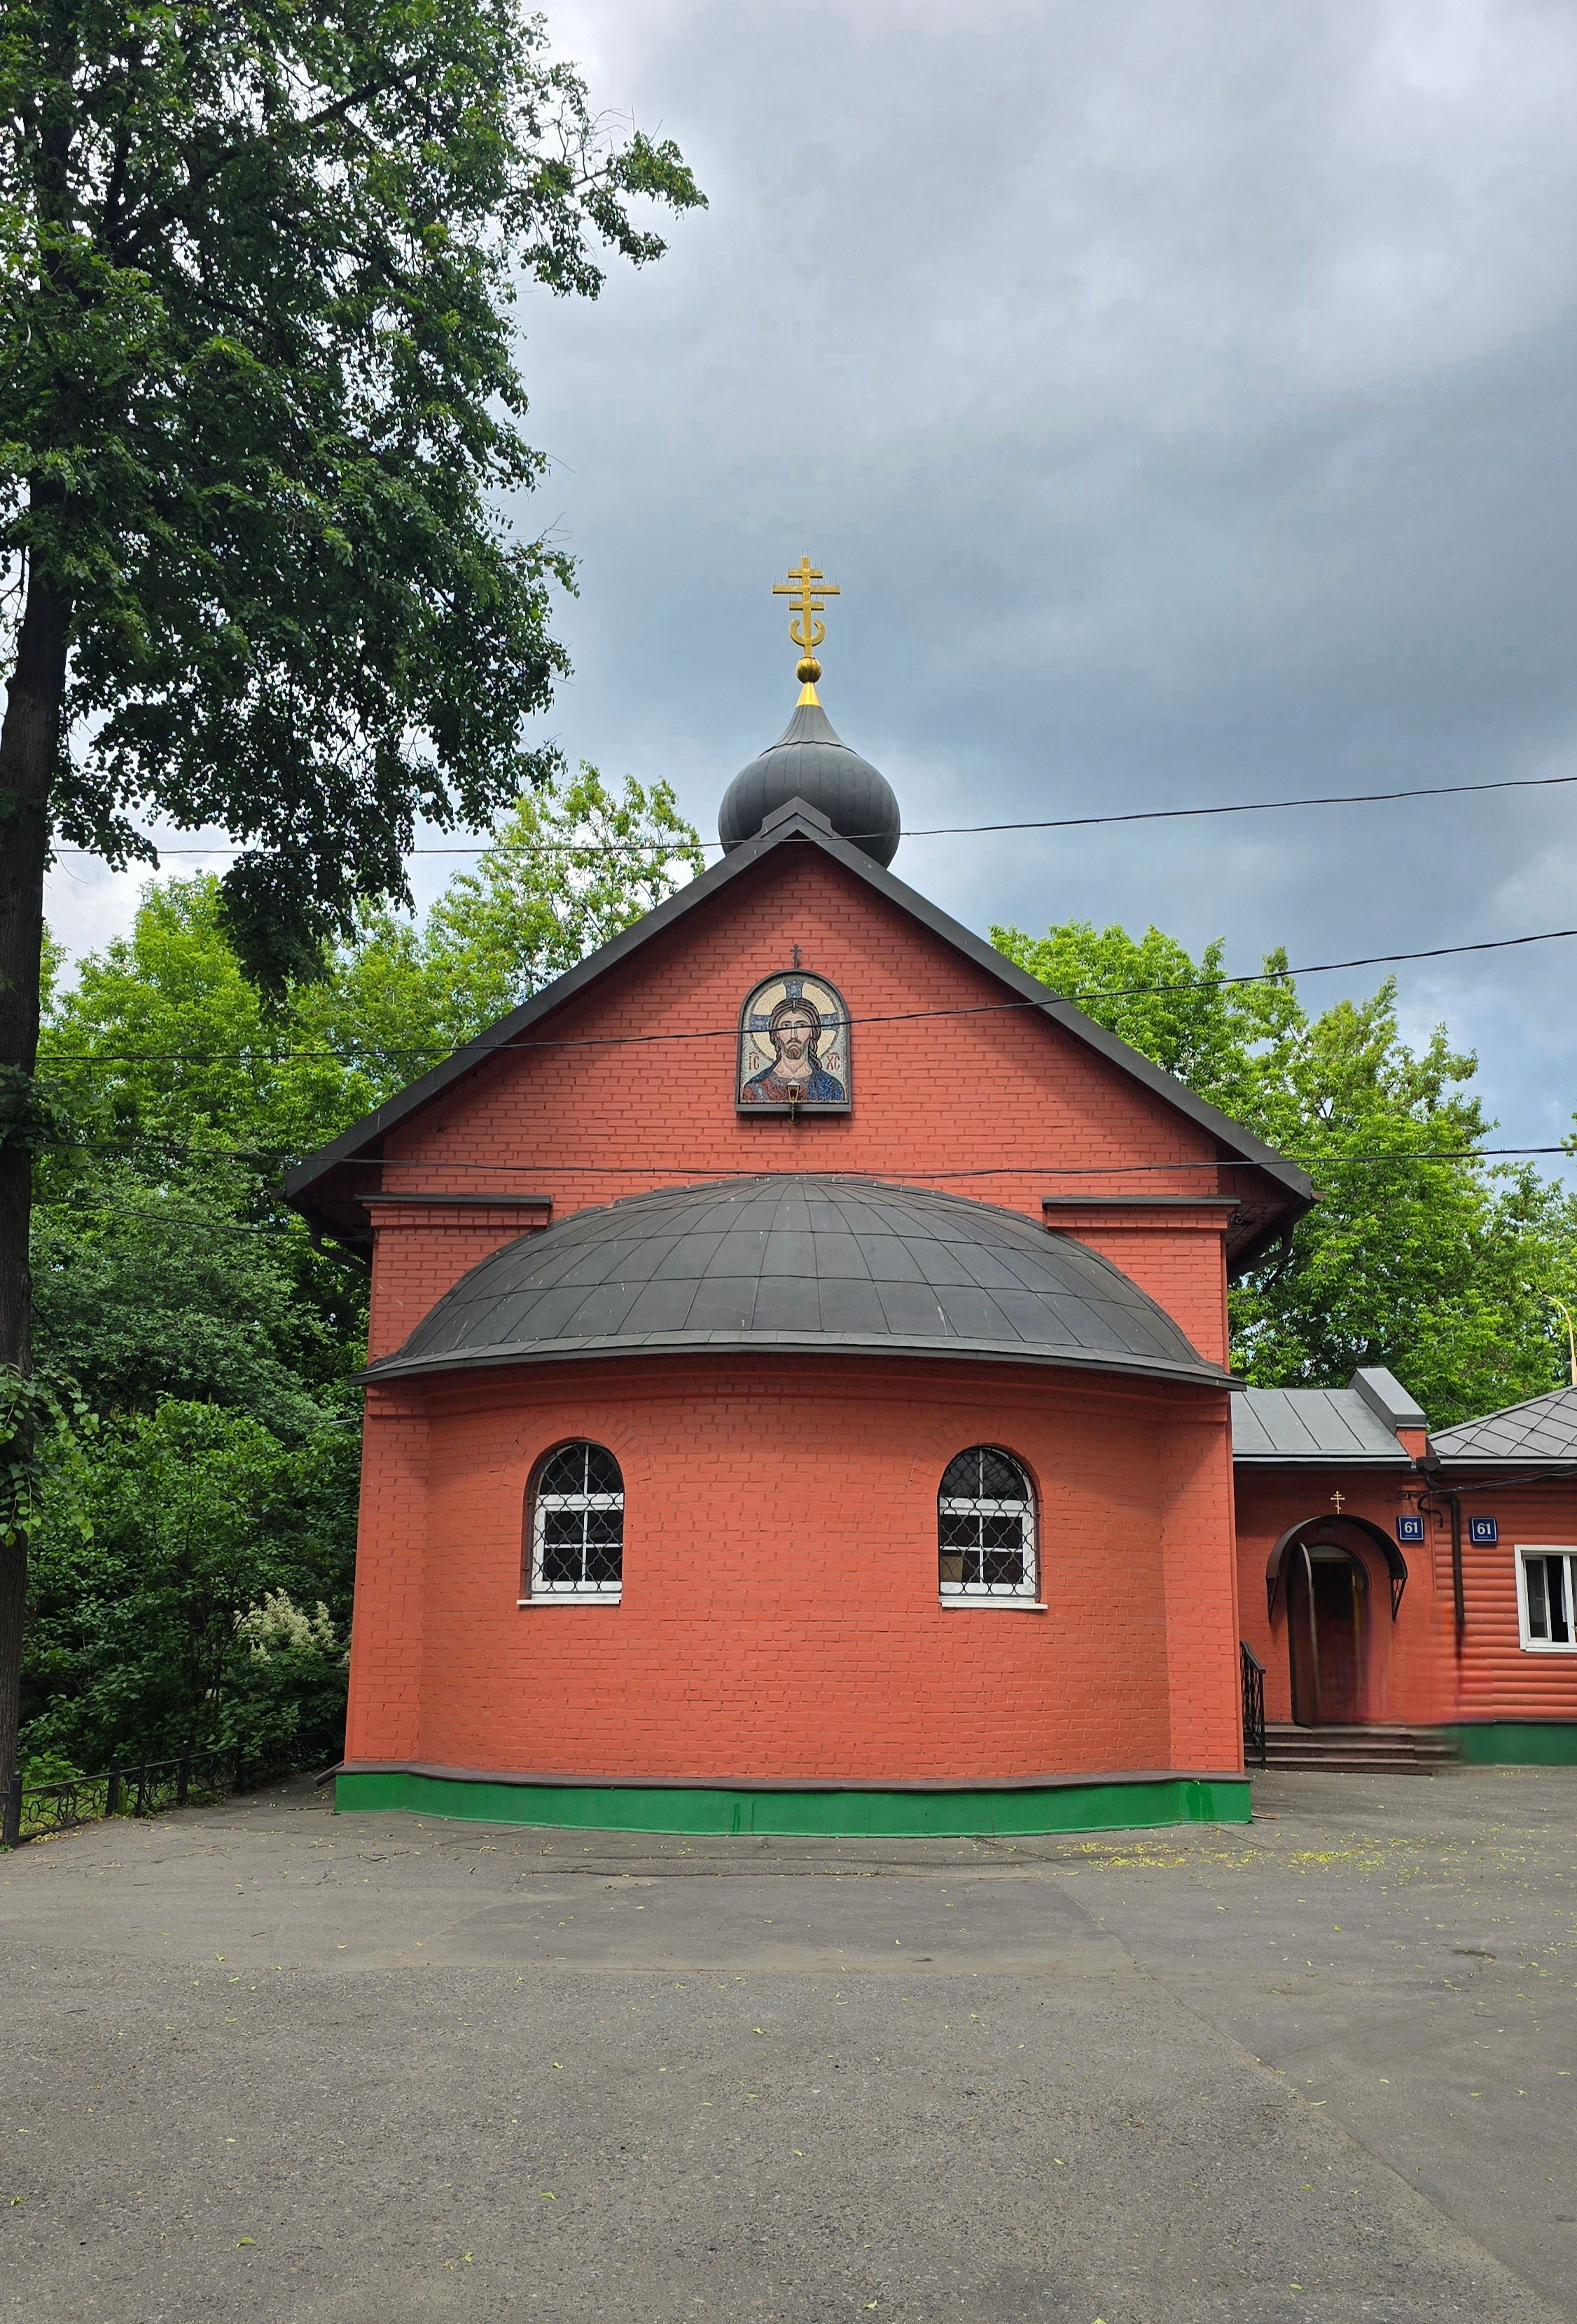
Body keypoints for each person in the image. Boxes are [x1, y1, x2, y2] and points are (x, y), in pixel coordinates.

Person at [741, 993, 845, 1103]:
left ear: (812, 1032)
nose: (793, 1035)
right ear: (776, 1033)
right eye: (786, 1026)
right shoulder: (755, 1087)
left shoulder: (831, 1088)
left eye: (801, 1026)